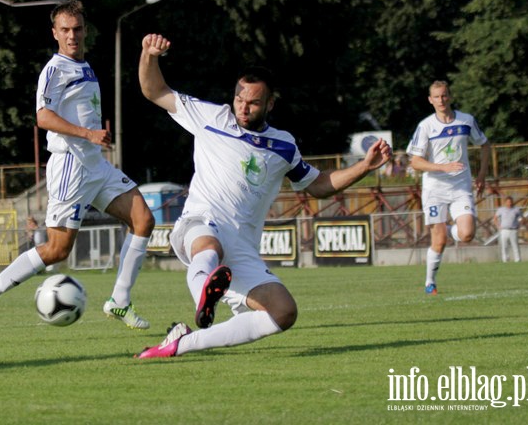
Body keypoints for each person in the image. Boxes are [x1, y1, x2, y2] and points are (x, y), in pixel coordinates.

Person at [134, 33, 392, 359]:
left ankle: (181, 343)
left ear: (270, 104)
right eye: (239, 99)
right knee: (209, 247)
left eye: (253, 102)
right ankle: (204, 295)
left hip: (241, 248)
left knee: (283, 313)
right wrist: (149, 54)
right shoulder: (212, 117)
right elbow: (154, 90)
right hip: (201, 223)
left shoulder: (284, 146)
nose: (243, 107)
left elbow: (319, 184)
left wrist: (365, 166)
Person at [0, 0, 155, 333]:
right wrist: (88, 133)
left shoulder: (84, 65)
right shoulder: (55, 70)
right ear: (54, 32)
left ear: (85, 30)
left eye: (78, 29)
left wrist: (95, 137)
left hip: (95, 164)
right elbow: (43, 117)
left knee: (143, 220)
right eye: (65, 30)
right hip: (70, 165)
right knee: (57, 249)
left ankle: (119, 301)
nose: (72, 35)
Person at [406, 80, 490, 295]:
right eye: (437, 97)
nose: (441, 100)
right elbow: (415, 162)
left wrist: (481, 174)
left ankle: (450, 231)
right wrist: (442, 167)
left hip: (461, 187)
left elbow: (485, 145)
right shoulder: (426, 126)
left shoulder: (466, 120)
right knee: (439, 241)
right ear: (430, 100)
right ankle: (429, 282)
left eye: (444, 95)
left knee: (468, 234)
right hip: (435, 189)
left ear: (449, 96)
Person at [495, 196, 522, 263]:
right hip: (504, 230)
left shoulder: (516, 209)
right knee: (504, 246)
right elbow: (495, 218)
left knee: (515, 245)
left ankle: (517, 260)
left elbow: (521, 218)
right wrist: (498, 226)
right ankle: (505, 260)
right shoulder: (501, 210)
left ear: (512, 202)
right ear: (505, 202)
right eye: (508, 202)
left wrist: (519, 224)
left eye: (510, 202)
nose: (509, 203)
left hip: (513, 230)